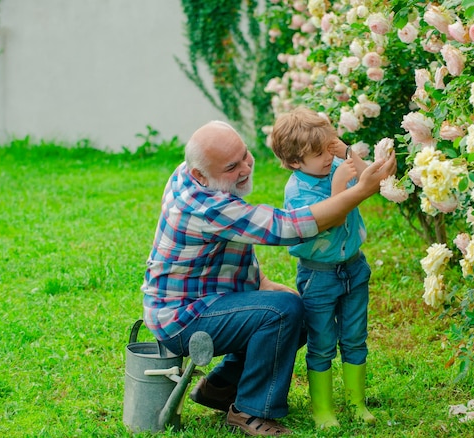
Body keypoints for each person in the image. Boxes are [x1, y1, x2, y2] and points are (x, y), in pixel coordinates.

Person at [141, 120, 395, 436]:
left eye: (245, 155)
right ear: (200, 175)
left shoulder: (195, 173)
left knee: (300, 312)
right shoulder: (204, 204)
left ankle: (219, 388)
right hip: (182, 319)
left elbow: (224, 247)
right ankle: (250, 410)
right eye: (232, 166)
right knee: (281, 310)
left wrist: (260, 282)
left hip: (206, 300)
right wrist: (359, 191)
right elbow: (285, 227)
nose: (246, 168)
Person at [270, 107, 379, 429]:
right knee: (321, 343)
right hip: (319, 275)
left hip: (354, 268)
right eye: (318, 153)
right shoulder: (298, 191)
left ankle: (357, 403)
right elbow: (329, 218)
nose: (327, 159)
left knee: (356, 337)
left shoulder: (334, 164)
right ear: (294, 161)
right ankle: (323, 409)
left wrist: (346, 152)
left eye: (328, 148)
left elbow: (371, 179)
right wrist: (339, 187)